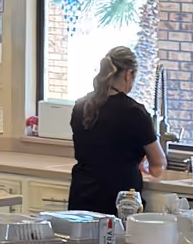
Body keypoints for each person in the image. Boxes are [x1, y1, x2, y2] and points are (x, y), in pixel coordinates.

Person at [66, 43, 162, 216]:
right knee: (117, 243)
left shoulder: (81, 106)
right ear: (128, 74)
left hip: (82, 198)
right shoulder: (135, 112)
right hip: (119, 203)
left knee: (82, 242)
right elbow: (158, 163)